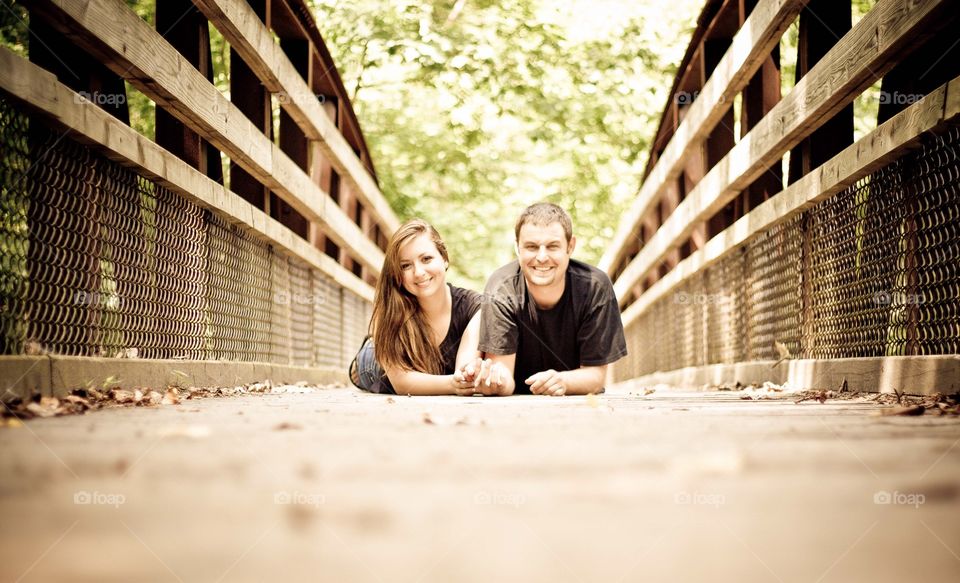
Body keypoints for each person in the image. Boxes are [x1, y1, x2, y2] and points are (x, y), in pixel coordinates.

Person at [477, 202, 627, 396]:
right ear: (517, 248)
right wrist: (492, 382)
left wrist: (563, 380)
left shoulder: (594, 286)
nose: (541, 257)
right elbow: (503, 373)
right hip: (515, 400)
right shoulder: (501, 288)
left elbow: (596, 377)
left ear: (570, 246)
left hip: (575, 402)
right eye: (531, 247)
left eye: (552, 246)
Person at [350, 219, 501, 396]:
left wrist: (464, 377)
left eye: (426, 259)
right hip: (378, 366)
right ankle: (371, 347)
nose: (419, 272)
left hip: (434, 376)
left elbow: (463, 374)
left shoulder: (475, 308)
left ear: (444, 258)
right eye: (406, 266)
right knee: (371, 365)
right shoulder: (392, 304)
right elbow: (401, 383)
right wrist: (452, 384)